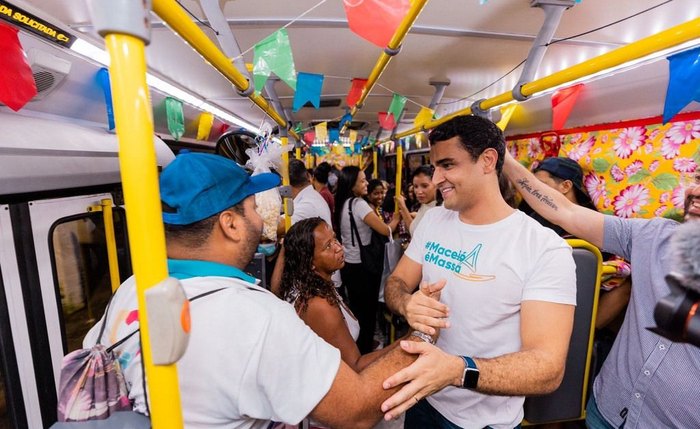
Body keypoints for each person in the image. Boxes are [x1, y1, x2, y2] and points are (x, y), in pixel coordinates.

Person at [82, 152, 429, 429]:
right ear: (230, 224)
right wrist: (424, 336)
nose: (262, 220)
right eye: (252, 208)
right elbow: (357, 411)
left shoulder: (127, 292)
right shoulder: (256, 318)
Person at [381, 115, 577, 428]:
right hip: (423, 397)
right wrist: (407, 303)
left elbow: (547, 367)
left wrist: (458, 371)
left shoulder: (542, 248)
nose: (435, 180)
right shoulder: (433, 222)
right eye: (435, 167)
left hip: (483, 421)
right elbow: (397, 282)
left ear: (487, 161)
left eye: (447, 165)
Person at [502, 153, 700, 428]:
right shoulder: (654, 236)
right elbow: (565, 211)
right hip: (605, 410)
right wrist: (505, 157)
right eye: (698, 179)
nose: (697, 192)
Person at [335, 166, 401, 353]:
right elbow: (385, 230)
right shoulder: (358, 204)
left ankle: (359, 346)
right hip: (364, 267)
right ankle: (364, 350)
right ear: (352, 183)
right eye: (362, 180)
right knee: (367, 313)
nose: (366, 183)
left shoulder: (344, 204)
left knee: (357, 311)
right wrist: (396, 217)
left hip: (349, 264)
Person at [396, 165, 439, 236]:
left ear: (436, 185)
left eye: (425, 186)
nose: (419, 191)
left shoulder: (441, 209)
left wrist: (403, 208)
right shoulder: (426, 204)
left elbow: (414, 232)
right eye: (415, 186)